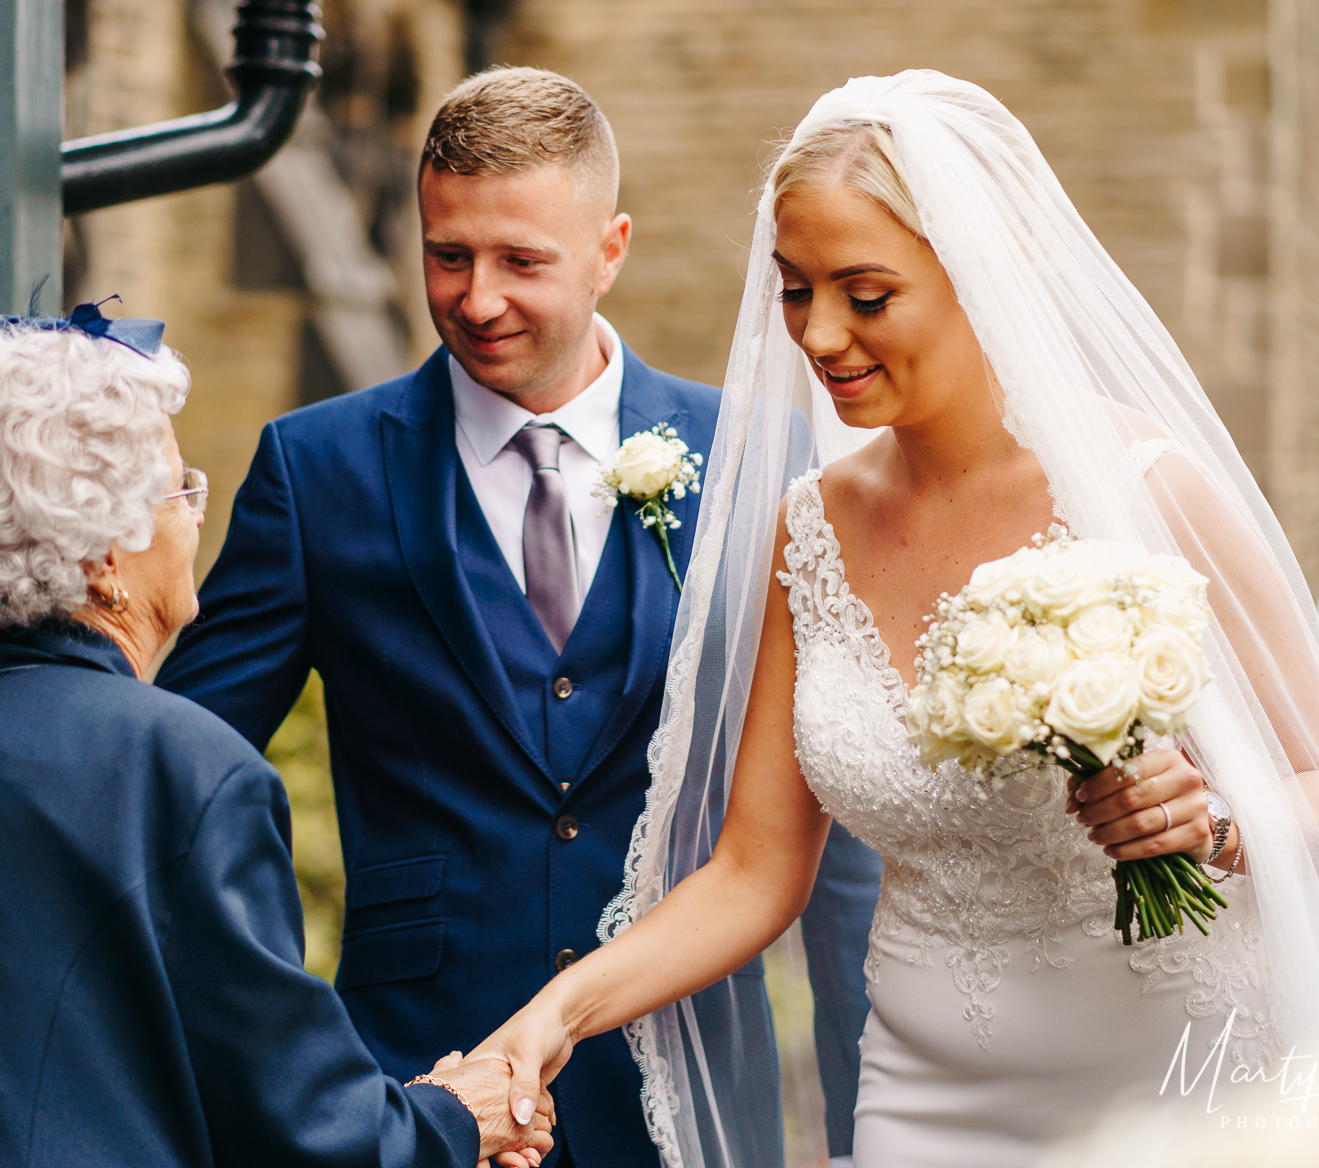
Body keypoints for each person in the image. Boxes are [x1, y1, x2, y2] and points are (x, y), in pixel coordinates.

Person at [470, 71, 1319, 1168]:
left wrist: (1213, 822)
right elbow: (753, 871)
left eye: (864, 296)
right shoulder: (808, 529)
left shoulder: (1145, 490)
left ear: (981, 276)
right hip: (923, 1096)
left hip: (1169, 1082)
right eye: (793, 289)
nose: (818, 334)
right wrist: (556, 1017)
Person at [156, 67, 879, 1167]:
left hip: (682, 1075)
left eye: (521, 262)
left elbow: (830, 822)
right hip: (415, 1085)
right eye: (448, 255)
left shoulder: (762, 461)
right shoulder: (319, 469)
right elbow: (181, 779)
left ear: (610, 249)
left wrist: (859, 1110)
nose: (477, 299)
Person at [0, 308, 552, 1168]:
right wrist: (459, 1117)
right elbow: (308, 1136)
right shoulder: (181, 768)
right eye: (179, 490)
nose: (197, 516)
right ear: (104, 558)